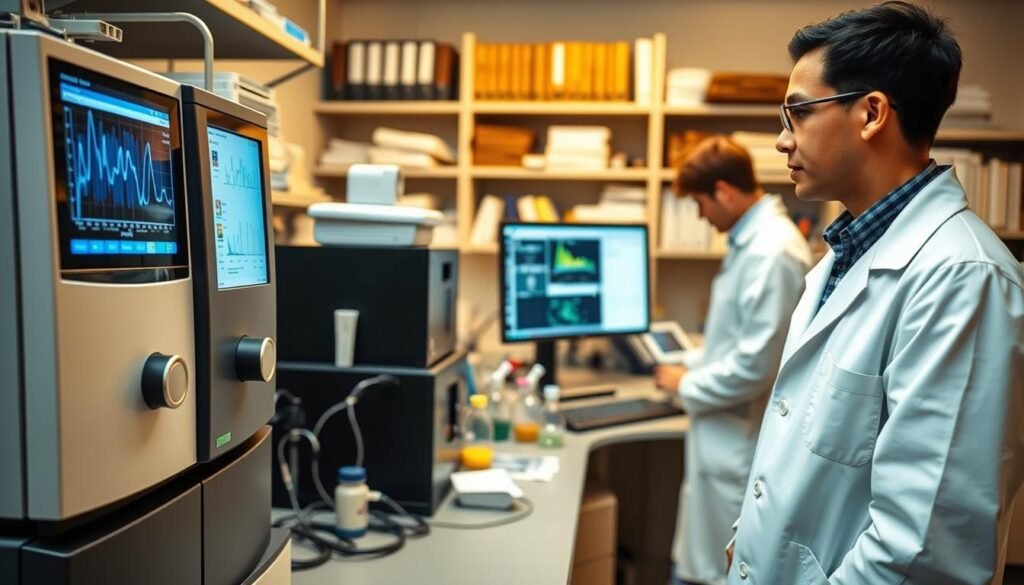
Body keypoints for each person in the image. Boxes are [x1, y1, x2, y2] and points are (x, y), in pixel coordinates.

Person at [726, 2, 1024, 583]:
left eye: (797, 114)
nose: (782, 141)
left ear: (870, 113)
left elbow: (926, 553)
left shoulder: (962, 278)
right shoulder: (844, 256)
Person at [654, 136, 812, 585]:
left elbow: (753, 367)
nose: (701, 217)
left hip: (742, 440)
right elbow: (736, 341)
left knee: (719, 569)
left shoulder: (773, 252)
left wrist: (684, 385)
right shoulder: (752, 242)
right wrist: (688, 360)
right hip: (722, 434)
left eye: (701, 204)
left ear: (723, 192)